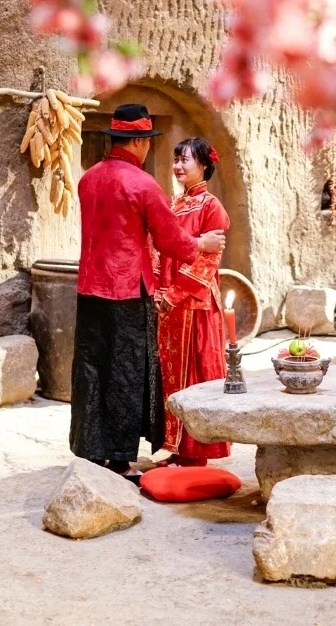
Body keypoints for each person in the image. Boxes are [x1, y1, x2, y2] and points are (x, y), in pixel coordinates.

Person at [72, 104, 226, 482]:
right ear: (140, 142)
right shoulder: (143, 184)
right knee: (126, 372)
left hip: (90, 287)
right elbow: (169, 239)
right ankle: (121, 459)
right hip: (127, 289)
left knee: (92, 370)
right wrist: (200, 243)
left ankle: (92, 448)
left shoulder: (87, 178)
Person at [153, 137, 231, 467]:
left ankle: (197, 452)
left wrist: (174, 293)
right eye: (176, 159)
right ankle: (174, 445)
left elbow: (208, 262)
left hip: (194, 305)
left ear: (203, 166)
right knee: (171, 375)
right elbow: (157, 246)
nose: (178, 166)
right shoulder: (173, 204)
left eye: (185, 160)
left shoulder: (211, 206)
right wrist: (158, 288)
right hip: (168, 304)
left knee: (195, 375)